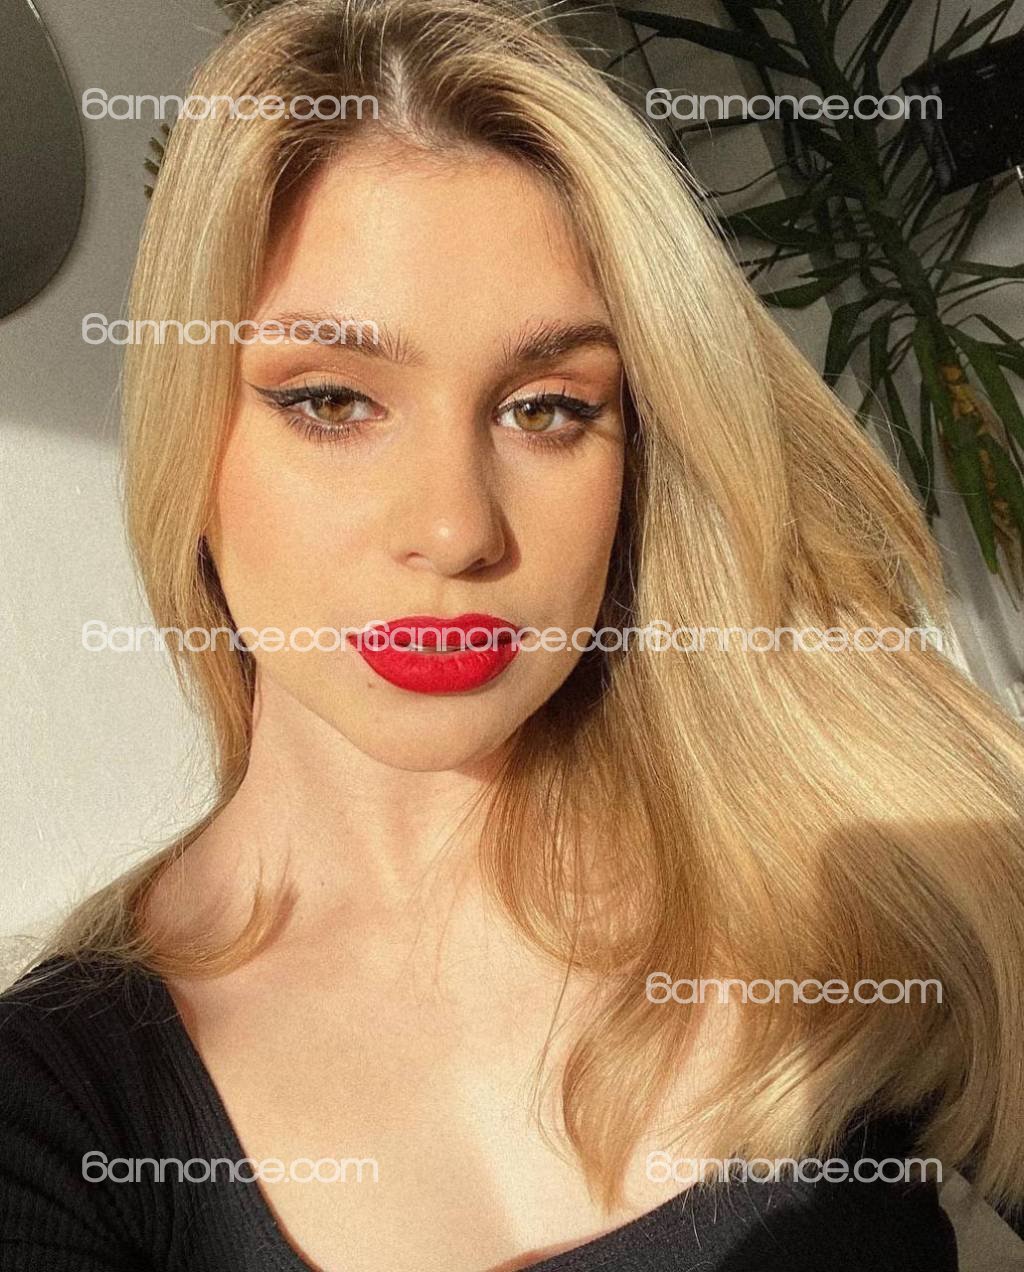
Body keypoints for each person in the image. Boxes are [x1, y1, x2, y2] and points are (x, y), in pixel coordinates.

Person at [3, 0, 1023, 1267]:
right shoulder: (55, 1115)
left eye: (546, 408)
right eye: (331, 400)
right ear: (189, 434)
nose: (456, 529)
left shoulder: (849, 871)